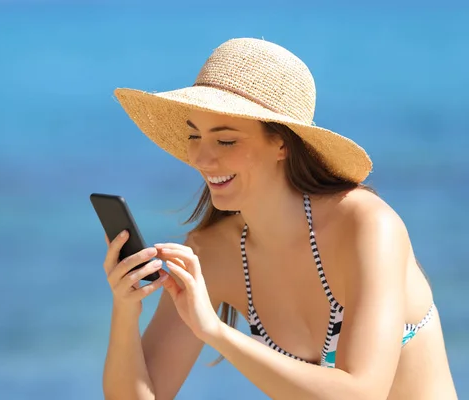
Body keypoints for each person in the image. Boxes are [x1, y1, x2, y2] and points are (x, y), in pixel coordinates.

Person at [100, 38, 458, 399]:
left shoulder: (366, 225)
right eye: (195, 135)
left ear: (282, 144)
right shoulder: (211, 254)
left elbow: (362, 393)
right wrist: (127, 309)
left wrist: (216, 332)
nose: (202, 159)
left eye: (225, 141)